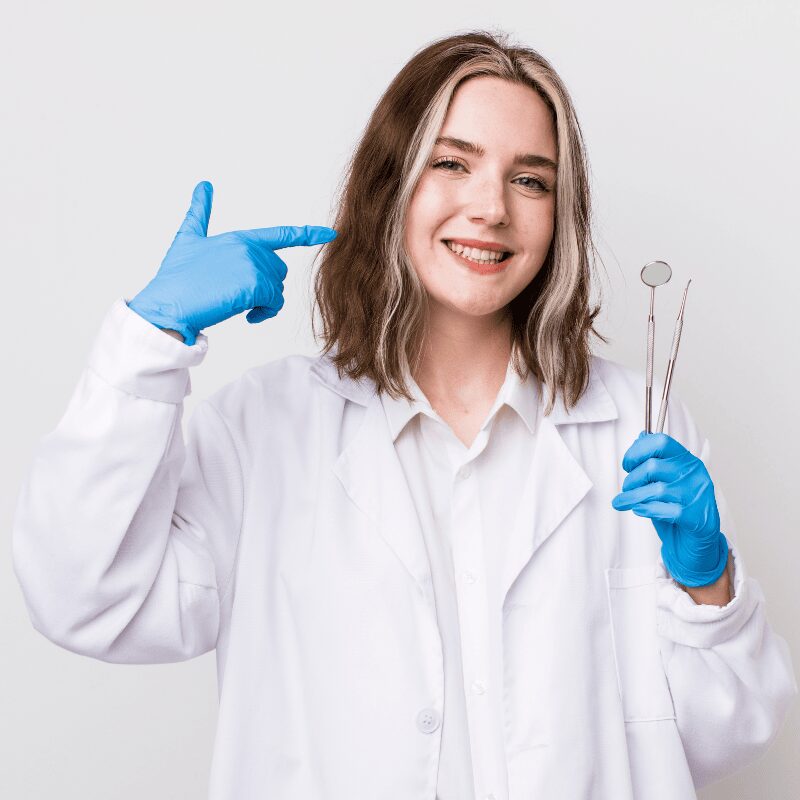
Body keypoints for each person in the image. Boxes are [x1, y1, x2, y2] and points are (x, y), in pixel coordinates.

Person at [11, 29, 797, 800]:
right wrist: (147, 341)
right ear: (391, 185)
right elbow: (86, 597)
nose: (490, 207)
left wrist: (708, 587)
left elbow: (717, 738)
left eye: (531, 180)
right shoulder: (268, 427)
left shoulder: (633, 424)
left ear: (560, 215)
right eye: (451, 163)